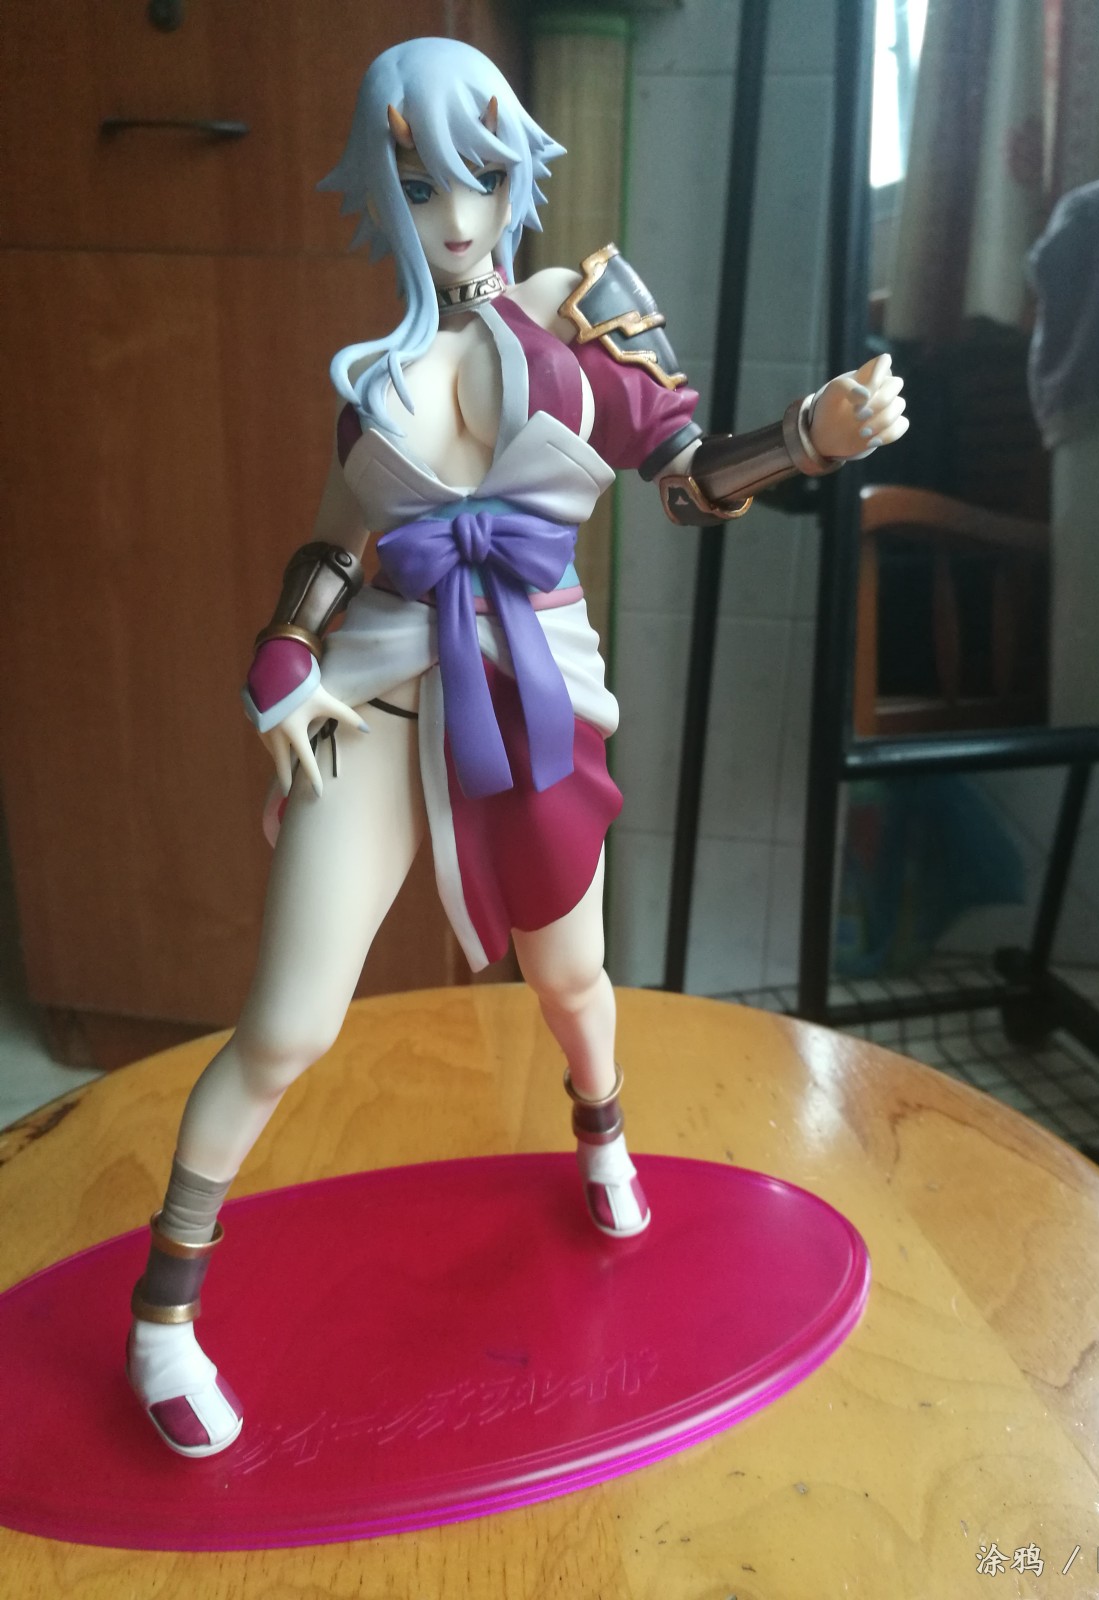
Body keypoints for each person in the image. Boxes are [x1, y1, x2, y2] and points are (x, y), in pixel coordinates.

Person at [125, 36, 908, 1459]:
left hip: (538, 696)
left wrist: (809, 436)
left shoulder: (585, 313)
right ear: (384, 193)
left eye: (481, 177)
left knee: (571, 978)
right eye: (423, 185)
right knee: (287, 1025)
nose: (458, 214)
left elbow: (686, 477)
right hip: (378, 700)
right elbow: (332, 550)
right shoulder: (373, 373)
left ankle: (600, 1126)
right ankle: (163, 1312)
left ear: (519, 175)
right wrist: (280, 665)